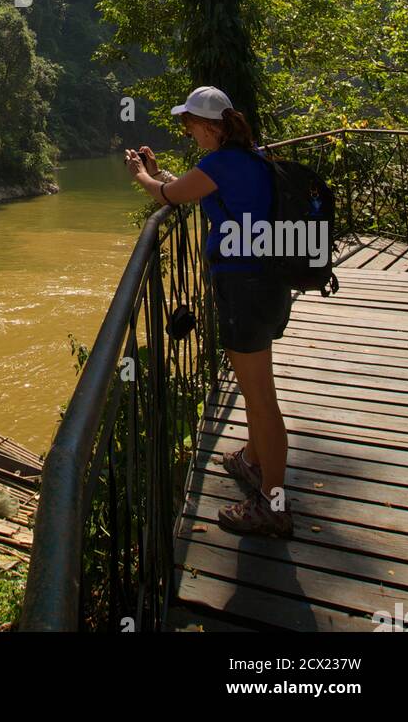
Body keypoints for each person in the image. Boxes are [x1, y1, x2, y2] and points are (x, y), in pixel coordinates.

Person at [124, 85, 294, 539]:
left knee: (261, 399)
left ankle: (274, 505)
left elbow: (167, 197)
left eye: (190, 125)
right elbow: (192, 188)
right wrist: (163, 176)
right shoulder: (251, 157)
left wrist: (142, 174)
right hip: (270, 285)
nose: (187, 131)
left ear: (208, 127)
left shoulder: (219, 162)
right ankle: (253, 462)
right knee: (257, 384)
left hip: (245, 289)